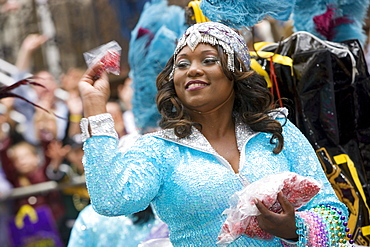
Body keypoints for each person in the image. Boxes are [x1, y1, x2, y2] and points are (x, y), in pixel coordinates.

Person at [77, 21, 350, 246]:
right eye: (182, 64)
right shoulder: (159, 149)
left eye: (208, 60)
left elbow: (333, 212)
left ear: (234, 73)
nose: (193, 69)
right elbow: (110, 200)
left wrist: (294, 228)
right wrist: (94, 107)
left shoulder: (276, 132)